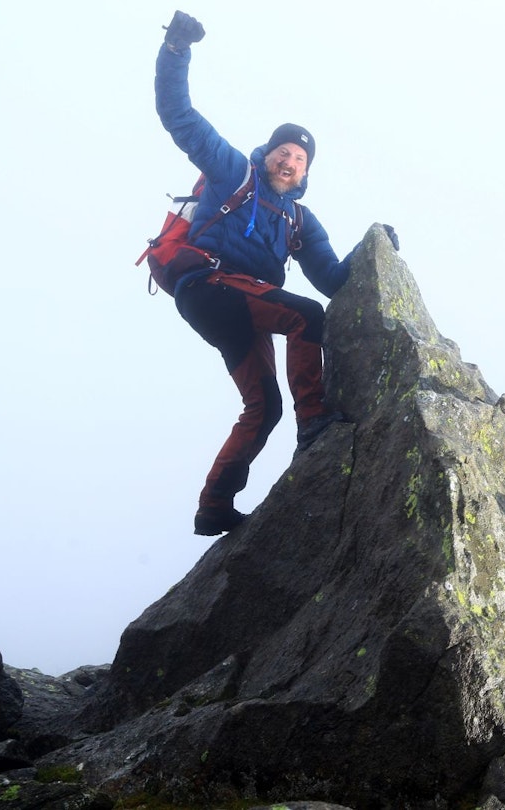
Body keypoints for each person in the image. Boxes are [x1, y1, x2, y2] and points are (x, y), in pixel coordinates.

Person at [155, 11, 397, 536]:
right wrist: (176, 49)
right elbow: (179, 116)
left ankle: (213, 506)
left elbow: (332, 279)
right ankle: (314, 422)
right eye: (283, 151)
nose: (289, 160)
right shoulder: (233, 172)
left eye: (300, 158)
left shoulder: (300, 221)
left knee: (263, 409)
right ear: (268, 154)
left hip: (243, 306)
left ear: (306, 172)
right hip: (209, 286)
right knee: (306, 316)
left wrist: (373, 248)